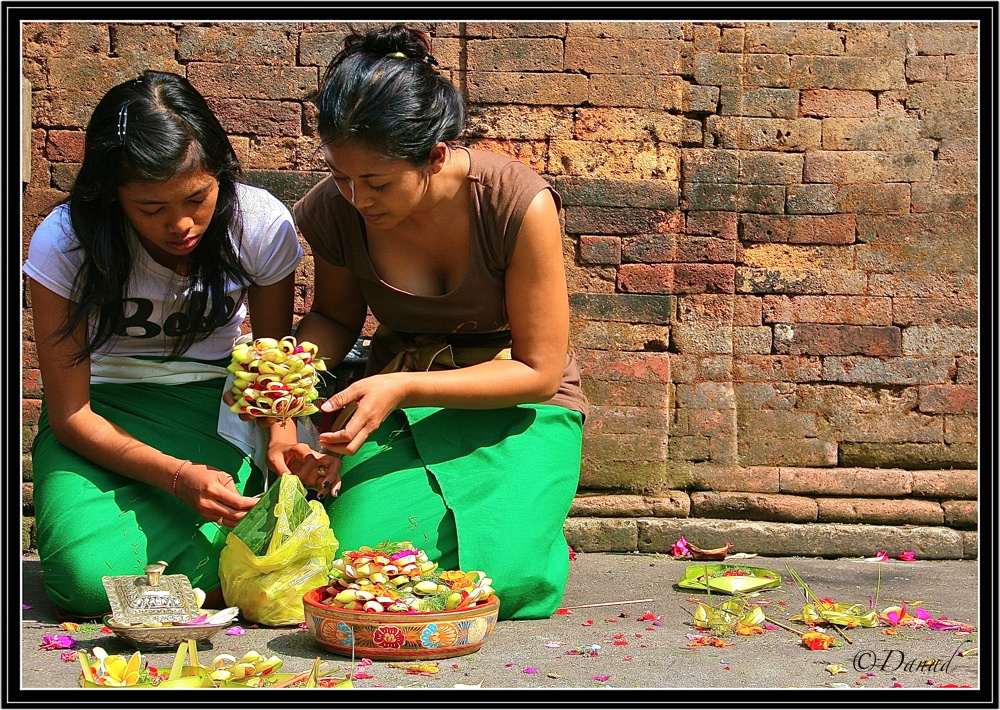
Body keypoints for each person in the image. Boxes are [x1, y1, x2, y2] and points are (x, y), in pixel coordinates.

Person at [270, 25, 589, 621]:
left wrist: (402, 386)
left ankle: (530, 517)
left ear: (436, 155)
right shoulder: (334, 210)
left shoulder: (516, 204)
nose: (357, 198)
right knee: (364, 575)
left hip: (515, 405)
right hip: (401, 403)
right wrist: (283, 383)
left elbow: (540, 371)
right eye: (342, 176)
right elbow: (335, 318)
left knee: (509, 584)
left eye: (378, 182)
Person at [23, 71, 306, 618]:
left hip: (216, 408)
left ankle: (215, 576)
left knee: (245, 531)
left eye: (197, 197)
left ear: (220, 173)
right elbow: (70, 416)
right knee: (88, 584)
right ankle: (222, 582)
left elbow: (271, 368)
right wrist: (176, 477)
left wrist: (281, 436)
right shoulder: (66, 242)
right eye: (150, 209)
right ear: (112, 197)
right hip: (101, 421)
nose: (181, 224)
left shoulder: (257, 223)